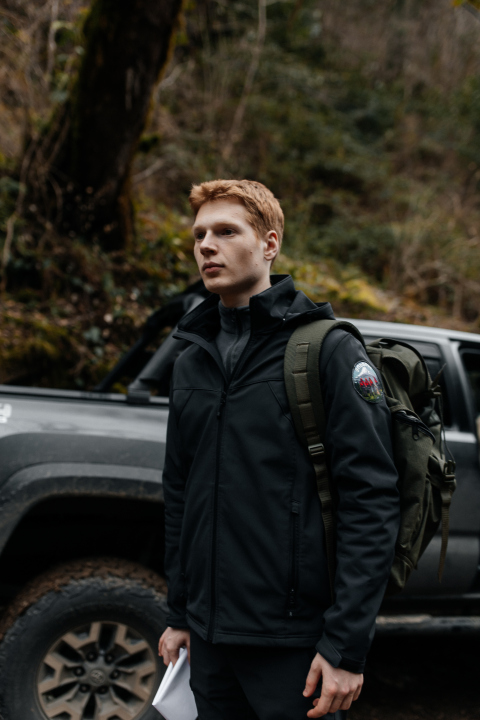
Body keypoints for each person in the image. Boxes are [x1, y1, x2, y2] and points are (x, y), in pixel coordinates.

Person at [158, 179, 400, 719]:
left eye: (226, 231)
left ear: (269, 244)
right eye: (199, 235)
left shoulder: (327, 350)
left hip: (294, 645)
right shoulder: (191, 358)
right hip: (208, 640)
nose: (206, 245)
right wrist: (179, 613)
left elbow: (372, 501)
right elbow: (180, 494)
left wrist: (345, 646)